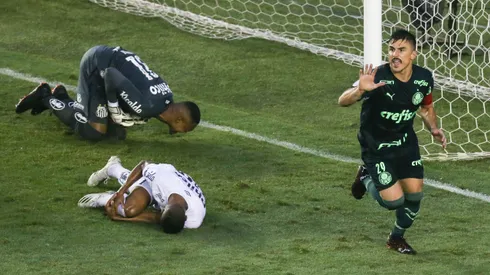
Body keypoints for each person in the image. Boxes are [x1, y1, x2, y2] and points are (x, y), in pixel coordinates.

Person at [338, 29, 446, 254]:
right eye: (391, 49)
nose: (395, 55)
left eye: (401, 50)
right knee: (393, 202)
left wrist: (434, 129)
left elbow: (426, 107)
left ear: (413, 55)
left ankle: (395, 238)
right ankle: (366, 175)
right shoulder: (377, 77)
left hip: (405, 144)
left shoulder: (424, 78)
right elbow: (342, 101)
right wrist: (359, 90)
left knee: (415, 195)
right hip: (376, 147)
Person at [15, 45, 201, 141]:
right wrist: (113, 108)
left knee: (115, 133)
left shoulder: (166, 97)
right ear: (179, 120)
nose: (183, 133)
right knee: (95, 131)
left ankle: (62, 96)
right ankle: (47, 97)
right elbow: (111, 75)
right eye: (186, 129)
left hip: (111, 65)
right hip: (97, 68)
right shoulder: (149, 106)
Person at [78, 156, 206, 233]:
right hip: (159, 182)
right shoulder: (162, 180)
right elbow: (143, 165)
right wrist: (120, 192)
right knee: (129, 205)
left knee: (125, 211)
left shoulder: (194, 220)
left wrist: (120, 219)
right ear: (165, 207)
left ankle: (107, 194)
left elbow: (155, 218)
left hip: (172, 190)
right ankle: (113, 169)